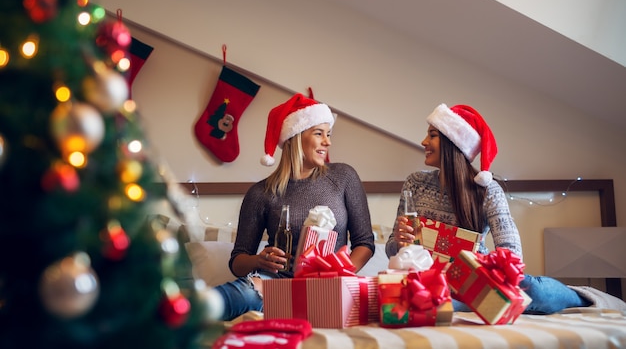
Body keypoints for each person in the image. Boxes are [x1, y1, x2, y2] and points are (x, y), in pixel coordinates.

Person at [386, 103, 591, 314]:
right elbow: (391, 247)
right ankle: (460, 302)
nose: (424, 142)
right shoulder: (415, 183)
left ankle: (584, 298)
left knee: (530, 288)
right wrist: (400, 243)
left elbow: (512, 253)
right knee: (413, 295)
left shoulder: (487, 190)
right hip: (427, 280)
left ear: (453, 142)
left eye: (433, 135)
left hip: (475, 282)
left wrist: (477, 268)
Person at [214, 92, 375, 321]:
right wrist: (259, 261)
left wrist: (339, 273)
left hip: (331, 285)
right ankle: (180, 311)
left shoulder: (344, 177)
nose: (327, 142)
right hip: (276, 284)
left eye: (328, 134)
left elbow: (365, 243)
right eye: (318, 134)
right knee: (245, 292)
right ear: (295, 137)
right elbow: (238, 261)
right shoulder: (261, 193)